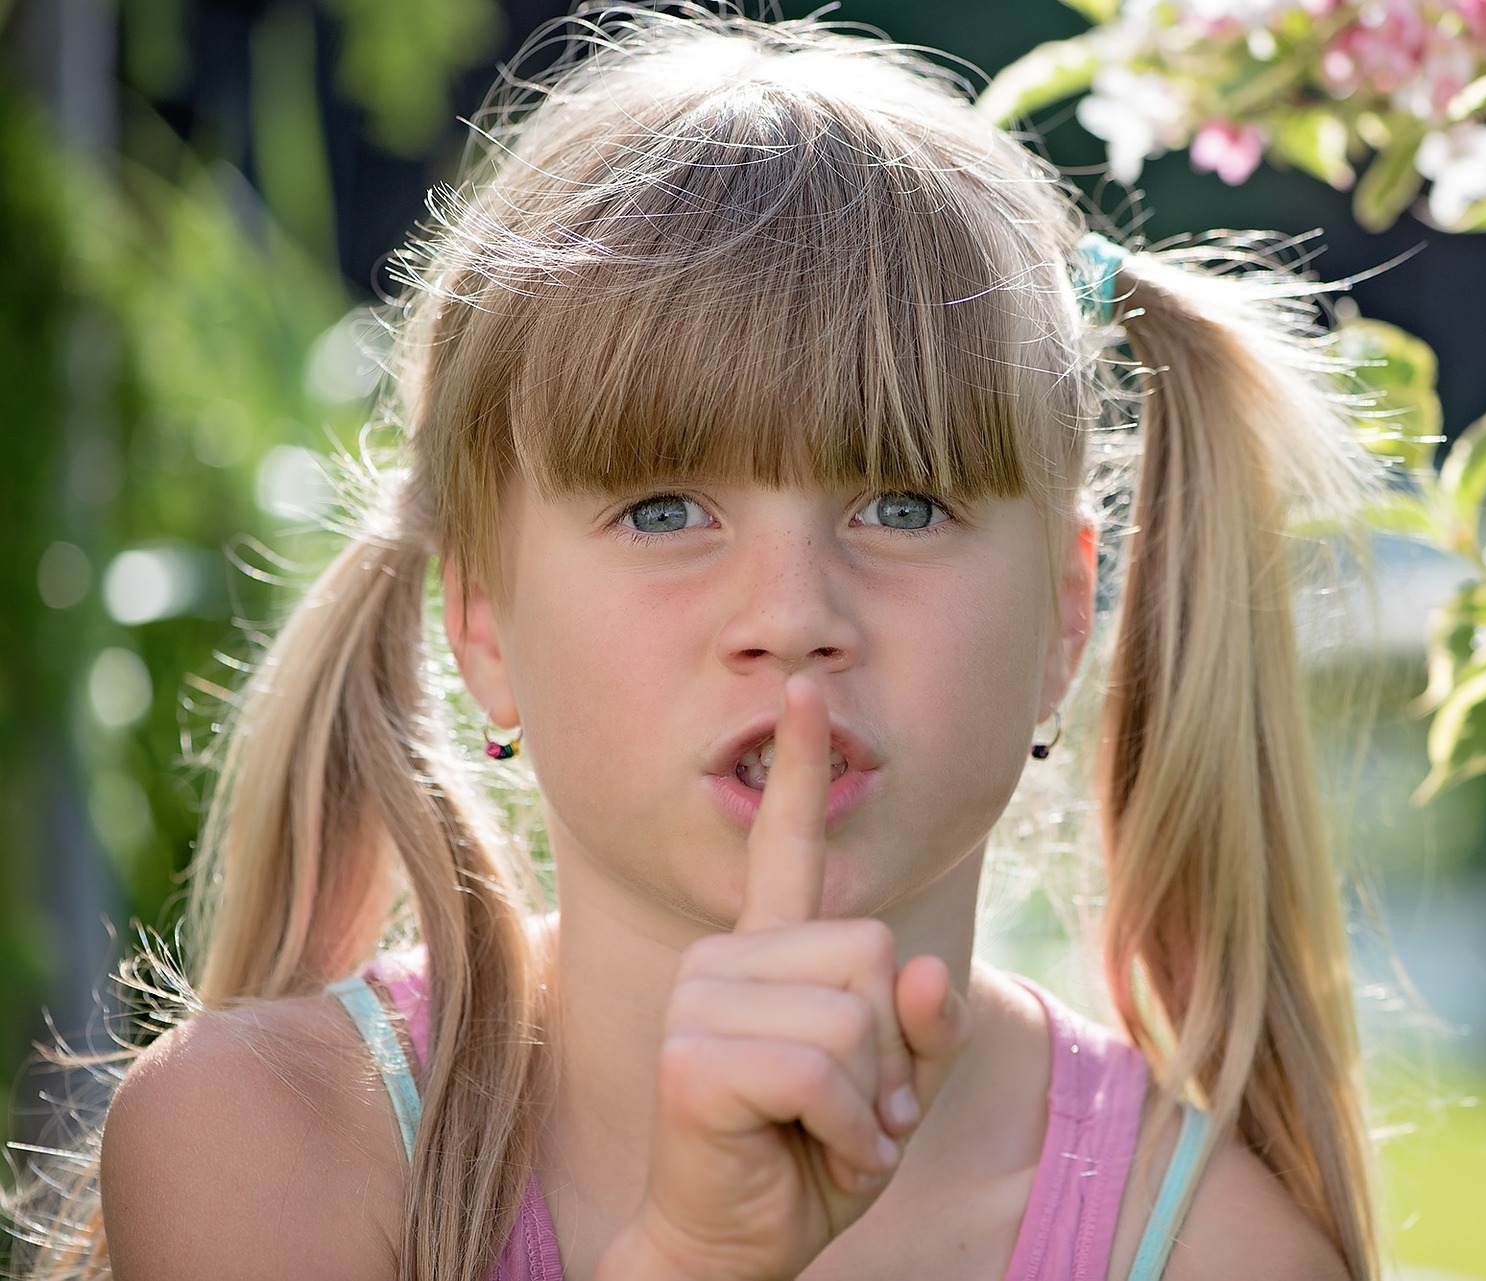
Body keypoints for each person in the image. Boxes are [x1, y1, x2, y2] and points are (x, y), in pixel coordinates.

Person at [16, 9, 1378, 1279]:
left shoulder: (1213, 1245)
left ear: (1065, 615)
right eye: (664, 508)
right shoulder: (269, 1143)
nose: (792, 613)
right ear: (481, 618)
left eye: (903, 502)